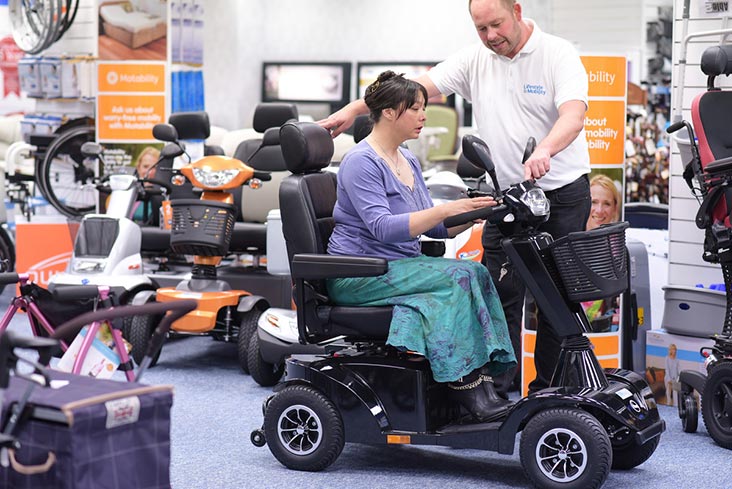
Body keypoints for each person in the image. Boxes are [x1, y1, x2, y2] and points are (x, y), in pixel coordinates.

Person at [319, 0, 591, 396]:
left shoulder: (557, 54)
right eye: (481, 29)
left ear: (516, 11)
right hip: (511, 196)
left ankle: (548, 395)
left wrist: (545, 150)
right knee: (499, 289)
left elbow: (573, 116)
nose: (490, 36)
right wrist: (350, 112)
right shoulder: (472, 61)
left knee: (557, 298)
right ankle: (492, 390)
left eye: (496, 24)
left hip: (561, 192)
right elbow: (404, 92)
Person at [327, 71, 516, 423]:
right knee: (460, 275)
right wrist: (446, 208)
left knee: (475, 270)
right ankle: (469, 389)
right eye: (414, 108)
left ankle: (486, 384)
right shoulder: (361, 162)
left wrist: (478, 213)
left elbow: (436, 226)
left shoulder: (408, 159)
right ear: (387, 112)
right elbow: (383, 228)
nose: (423, 116)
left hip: (399, 268)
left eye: (423, 108)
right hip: (359, 272)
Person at [132, 146, 161, 223]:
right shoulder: (130, 195)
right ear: (138, 168)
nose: (149, 172)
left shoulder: (165, 197)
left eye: (154, 167)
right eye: (145, 166)